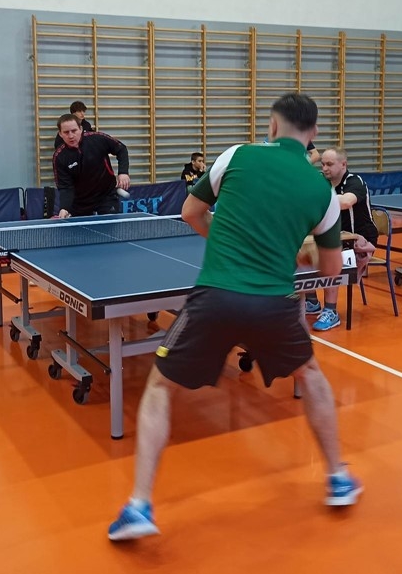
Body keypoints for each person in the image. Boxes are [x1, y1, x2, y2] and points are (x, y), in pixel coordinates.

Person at [106, 93, 362, 542]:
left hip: (216, 296)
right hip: (274, 303)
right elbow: (329, 270)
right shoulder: (323, 192)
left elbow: (190, 212)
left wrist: (224, 242)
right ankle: (338, 477)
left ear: (272, 126)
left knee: (160, 386)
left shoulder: (236, 156)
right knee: (311, 376)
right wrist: (294, 254)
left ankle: (139, 505)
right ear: (313, 134)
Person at [305, 147, 378, 331]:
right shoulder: (321, 181)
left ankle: (331, 311)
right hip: (336, 236)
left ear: (343, 164)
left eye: (329, 164)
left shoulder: (355, 181)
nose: (325, 168)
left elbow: (345, 202)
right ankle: (312, 301)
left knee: (330, 255)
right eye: (323, 164)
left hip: (361, 240)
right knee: (301, 252)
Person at [53, 114, 130, 217]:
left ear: (80, 129)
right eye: (66, 132)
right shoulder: (59, 157)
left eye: (74, 131)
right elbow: (66, 187)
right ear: (60, 134)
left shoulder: (97, 139)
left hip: (106, 196)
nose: (71, 136)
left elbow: (121, 149)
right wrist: (64, 208)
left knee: (109, 225)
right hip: (80, 203)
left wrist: (123, 172)